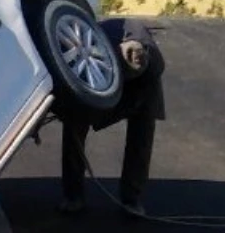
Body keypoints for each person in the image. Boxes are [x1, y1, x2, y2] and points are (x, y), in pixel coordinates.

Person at [58, 18, 165, 219]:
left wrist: (134, 94)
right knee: (74, 125)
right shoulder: (95, 45)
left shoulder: (152, 62)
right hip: (97, 74)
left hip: (142, 88)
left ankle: (131, 199)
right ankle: (73, 195)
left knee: (141, 138)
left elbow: (149, 81)